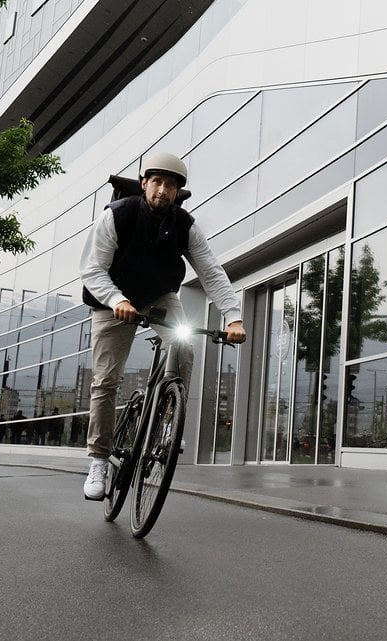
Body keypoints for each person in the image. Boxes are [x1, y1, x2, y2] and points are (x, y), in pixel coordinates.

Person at [78, 152, 246, 501]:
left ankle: (168, 419)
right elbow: (93, 269)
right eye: (157, 182)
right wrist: (118, 300)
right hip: (113, 300)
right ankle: (97, 460)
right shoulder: (118, 216)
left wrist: (234, 317)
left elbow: (211, 271)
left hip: (158, 298)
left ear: (177, 191)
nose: (164, 190)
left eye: (171, 185)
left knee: (183, 344)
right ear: (144, 184)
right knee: (105, 381)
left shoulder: (185, 225)